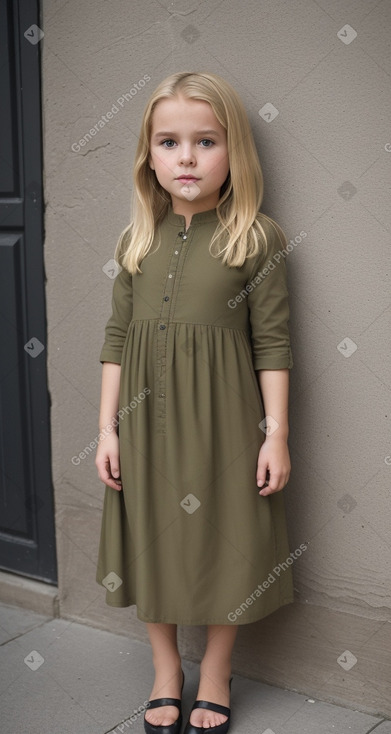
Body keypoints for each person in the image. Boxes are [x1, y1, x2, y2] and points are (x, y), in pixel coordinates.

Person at [95, 71, 294, 734]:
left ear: (233, 152)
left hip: (223, 427)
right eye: (169, 141)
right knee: (151, 533)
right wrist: (106, 430)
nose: (185, 157)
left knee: (226, 540)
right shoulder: (136, 243)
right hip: (142, 426)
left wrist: (275, 435)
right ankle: (163, 669)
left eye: (205, 141)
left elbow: (272, 344)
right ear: (147, 156)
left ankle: (214, 670)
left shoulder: (254, 238)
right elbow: (117, 339)